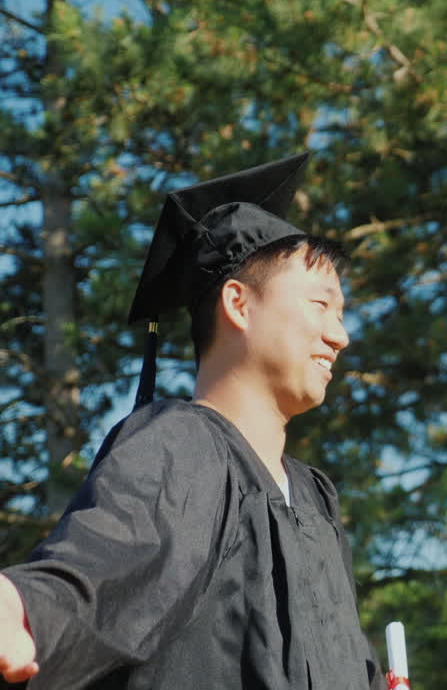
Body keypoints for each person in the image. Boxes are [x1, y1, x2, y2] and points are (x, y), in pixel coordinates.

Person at [0, 153, 381, 689]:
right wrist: (21, 608)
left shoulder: (316, 497)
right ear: (239, 304)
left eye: (340, 314)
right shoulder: (184, 443)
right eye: (321, 305)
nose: (340, 336)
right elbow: (103, 566)